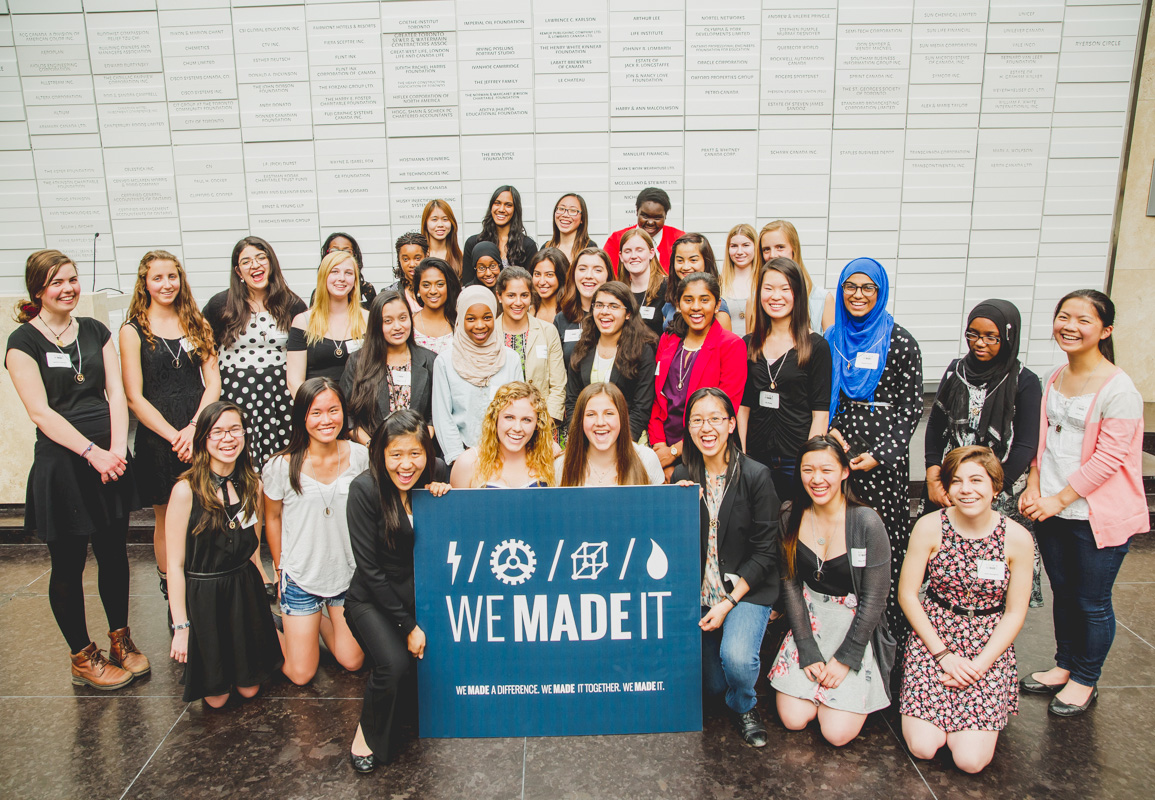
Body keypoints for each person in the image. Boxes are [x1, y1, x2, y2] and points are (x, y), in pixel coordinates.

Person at [6, 250, 146, 689]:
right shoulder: (22, 343)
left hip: (109, 458)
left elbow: (116, 394)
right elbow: (40, 413)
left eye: (71, 279)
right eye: (56, 282)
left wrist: (117, 449)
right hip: (64, 464)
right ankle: (83, 657)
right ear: (38, 290)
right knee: (68, 565)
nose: (68, 289)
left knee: (114, 553)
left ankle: (121, 640)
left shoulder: (95, 330)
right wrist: (93, 453)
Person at [1018, 290, 1147, 716]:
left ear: (1105, 330)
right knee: (1065, 593)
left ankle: (1086, 679)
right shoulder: (1054, 376)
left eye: (1083, 320)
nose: (1069, 326)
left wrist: (1059, 499)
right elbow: (1041, 440)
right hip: (1051, 507)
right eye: (1064, 317)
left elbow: (1109, 459)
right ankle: (1064, 665)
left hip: (1095, 515)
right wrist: (1034, 484)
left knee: (1092, 601)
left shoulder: (1120, 389)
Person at [900, 446, 1034, 772]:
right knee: (923, 747)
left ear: (995, 487)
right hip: (934, 636)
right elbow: (907, 595)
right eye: (957, 481)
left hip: (987, 643)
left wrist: (979, 665)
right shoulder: (930, 527)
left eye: (976, 480)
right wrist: (943, 655)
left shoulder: (1017, 538)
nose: (966, 489)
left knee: (970, 761)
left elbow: (1015, 612)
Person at [671, 388, 779, 747]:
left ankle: (746, 705)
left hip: (744, 591)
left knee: (737, 663)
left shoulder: (756, 475)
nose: (707, 428)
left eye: (715, 419)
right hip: (702, 595)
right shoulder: (683, 474)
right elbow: (673, 546)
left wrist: (728, 604)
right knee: (713, 684)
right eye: (697, 420)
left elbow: (766, 553)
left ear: (731, 424)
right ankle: (729, 671)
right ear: (688, 427)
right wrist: (678, 507)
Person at [344, 410, 450, 773]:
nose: (406, 465)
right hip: (372, 599)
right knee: (393, 665)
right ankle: (366, 734)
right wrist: (408, 626)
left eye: (415, 453)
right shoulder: (364, 490)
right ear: (381, 454)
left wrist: (444, 498)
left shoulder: (436, 473)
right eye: (396, 455)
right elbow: (370, 571)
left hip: (421, 596)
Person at [770, 436, 893, 747]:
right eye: (808, 470)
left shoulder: (866, 522)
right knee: (793, 719)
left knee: (836, 734)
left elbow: (875, 598)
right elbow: (790, 583)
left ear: (844, 472)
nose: (817, 479)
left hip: (853, 626)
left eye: (826, 470)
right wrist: (806, 647)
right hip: (809, 620)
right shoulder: (789, 514)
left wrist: (847, 657)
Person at [825, 257, 923, 646]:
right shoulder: (832, 337)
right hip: (839, 451)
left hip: (882, 461)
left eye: (868, 288)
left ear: (880, 293)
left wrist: (882, 453)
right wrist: (830, 434)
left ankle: (884, 633)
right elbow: (821, 393)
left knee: (881, 541)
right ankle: (838, 624)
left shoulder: (900, 341)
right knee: (840, 536)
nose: (858, 295)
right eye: (850, 286)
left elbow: (911, 407)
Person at [925, 300, 1043, 605]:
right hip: (952, 484)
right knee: (945, 568)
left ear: (1009, 337)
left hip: (1001, 488)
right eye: (973, 334)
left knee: (994, 577)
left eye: (991, 337)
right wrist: (933, 476)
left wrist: (991, 488)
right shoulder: (956, 371)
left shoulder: (1024, 381)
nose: (980, 343)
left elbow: (1026, 444)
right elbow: (935, 425)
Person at [166, 401, 283, 707]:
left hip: (243, 591)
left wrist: (264, 597)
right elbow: (174, 565)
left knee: (250, 690)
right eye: (217, 432)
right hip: (205, 595)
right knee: (217, 700)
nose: (228, 439)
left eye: (235, 430)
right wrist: (181, 628)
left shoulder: (253, 485)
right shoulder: (185, 491)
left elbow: (253, 548)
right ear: (203, 438)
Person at [121, 250, 220, 605]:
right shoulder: (133, 330)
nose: (167, 284)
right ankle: (171, 591)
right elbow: (134, 397)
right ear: (145, 284)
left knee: (206, 509)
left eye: (172, 277)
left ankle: (205, 583)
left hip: (199, 430)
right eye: (158, 278)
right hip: (158, 437)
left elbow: (213, 382)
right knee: (165, 516)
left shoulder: (197, 322)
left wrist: (194, 428)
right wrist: (174, 435)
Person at [264, 379, 367, 685]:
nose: (326, 420)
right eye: (316, 413)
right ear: (302, 417)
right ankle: (263, 624)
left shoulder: (360, 456)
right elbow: (272, 518)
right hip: (302, 576)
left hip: (347, 575)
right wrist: (280, 569)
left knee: (353, 660)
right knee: (301, 674)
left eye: (333, 410)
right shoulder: (280, 466)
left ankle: (316, 621)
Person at [203, 236, 306, 467]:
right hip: (236, 395)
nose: (255, 265)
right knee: (243, 461)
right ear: (238, 271)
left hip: (281, 396)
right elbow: (204, 350)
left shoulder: (292, 304)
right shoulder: (220, 305)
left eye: (261, 258)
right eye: (246, 261)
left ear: (271, 263)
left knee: (284, 461)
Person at [738, 259, 832, 501]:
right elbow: (743, 408)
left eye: (785, 288)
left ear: (798, 293)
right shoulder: (748, 344)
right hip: (756, 459)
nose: (775, 296)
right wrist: (743, 456)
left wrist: (809, 463)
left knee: (795, 520)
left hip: (796, 458)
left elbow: (820, 415)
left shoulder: (816, 347)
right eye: (768, 288)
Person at [649, 273, 747, 481]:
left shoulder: (731, 346)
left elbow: (723, 412)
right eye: (688, 300)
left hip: (707, 451)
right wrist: (660, 451)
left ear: (717, 304)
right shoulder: (668, 339)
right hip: (662, 451)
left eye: (704, 300)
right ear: (678, 304)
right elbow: (657, 400)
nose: (696, 307)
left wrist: (674, 453)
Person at [431, 286, 524, 464]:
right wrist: (459, 459)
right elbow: (443, 416)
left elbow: (518, 409)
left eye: (487, 317)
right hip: (462, 456)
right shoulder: (445, 362)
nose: (480, 325)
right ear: (460, 319)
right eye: (471, 319)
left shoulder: (510, 358)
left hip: (505, 456)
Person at [342, 291, 437, 445]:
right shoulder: (358, 361)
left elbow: (435, 415)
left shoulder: (430, 360)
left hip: (418, 450)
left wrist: (418, 443)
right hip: (371, 450)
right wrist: (371, 445)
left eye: (403, 318)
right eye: (388, 321)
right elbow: (347, 415)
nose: (397, 326)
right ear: (376, 324)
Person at [564, 281, 656, 441]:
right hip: (586, 439)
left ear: (628, 313)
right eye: (599, 305)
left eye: (614, 306)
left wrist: (620, 445)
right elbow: (572, 401)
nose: (605, 311)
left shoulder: (642, 351)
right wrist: (580, 440)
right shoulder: (582, 348)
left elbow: (641, 408)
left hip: (628, 440)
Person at [495, 266, 566, 434]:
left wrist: (541, 424)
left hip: (544, 425)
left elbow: (558, 385)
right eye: (511, 295)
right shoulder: (490, 334)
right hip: (501, 428)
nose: (518, 302)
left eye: (524, 295)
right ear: (499, 296)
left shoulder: (547, 331)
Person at [287, 250, 368, 397]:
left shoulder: (369, 319)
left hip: (360, 405)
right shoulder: (303, 322)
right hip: (318, 405)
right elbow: (294, 381)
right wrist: (311, 407)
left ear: (355, 280)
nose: (341, 278)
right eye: (334, 271)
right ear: (323, 276)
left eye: (348, 273)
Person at [450, 381, 556, 488]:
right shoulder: (468, 462)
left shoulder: (549, 458)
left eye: (526, 420)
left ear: (538, 423)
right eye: (509, 417)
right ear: (495, 418)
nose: (517, 428)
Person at [557, 383, 664, 486]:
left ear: (622, 418)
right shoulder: (562, 465)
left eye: (609, 413)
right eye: (591, 414)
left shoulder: (646, 460)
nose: (600, 422)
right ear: (580, 420)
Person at [757, 221, 831, 333]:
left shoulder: (822, 299)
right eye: (766, 249)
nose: (772, 255)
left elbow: (830, 342)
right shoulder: (756, 298)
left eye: (780, 247)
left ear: (794, 249)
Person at [462, 185, 538, 284]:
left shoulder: (527, 246)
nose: (501, 209)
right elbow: (468, 284)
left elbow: (530, 285)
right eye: (497, 203)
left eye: (508, 205)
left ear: (515, 209)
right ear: (491, 206)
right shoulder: (473, 243)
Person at [603, 187, 685, 272]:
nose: (650, 222)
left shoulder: (679, 240)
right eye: (645, 216)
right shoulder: (616, 240)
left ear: (665, 215)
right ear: (637, 211)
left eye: (657, 218)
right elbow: (608, 275)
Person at [662, 233, 732, 331]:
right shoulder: (670, 303)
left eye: (693, 260)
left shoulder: (716, 307)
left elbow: (726, 339)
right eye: (680, 260)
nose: (686, 267)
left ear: (706, 261)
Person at [554, 246, 611, 361]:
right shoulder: (562, 319)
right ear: (573, 274)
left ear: (608, 275)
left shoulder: (617, 316)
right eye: (582, 269)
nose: (589, 276)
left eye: (597, 270)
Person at [618, 228, 666, 337]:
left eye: (639, 250)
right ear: (621, 256)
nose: (634, 256)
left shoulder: (667, 287)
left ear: (651, 253)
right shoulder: (619, 291)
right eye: (627, 251)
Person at [411, 257, 461, 355]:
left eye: (440, 284)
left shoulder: (460, 323)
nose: (433, 291)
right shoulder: (409, 324)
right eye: (426, 285)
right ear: (418, 289)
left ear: (449, 287)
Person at [718, 224, 758, 337]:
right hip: (727, 347)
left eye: (746, 245)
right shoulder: (718, 283)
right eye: (734, 246)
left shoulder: (764, 282)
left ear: (755, 246)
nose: (739, 251)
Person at [321, 232, 376, 309]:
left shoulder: (366, 289)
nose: (340, 255)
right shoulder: (319, 291)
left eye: (347, 251)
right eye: (334, 251)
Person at [544, 193, 591, 266]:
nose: (565, 215)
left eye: (573, 210)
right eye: (561, 209)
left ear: (582, 218)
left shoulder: (589, 248)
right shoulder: (546, 247)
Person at [421, 199, 463, 277]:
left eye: (445, 219)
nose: (440, 224)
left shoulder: (460, 257)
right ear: (425, 223)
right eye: (434, 219)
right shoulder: (419, 256)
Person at [529, 247, 568, 325]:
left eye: (549, 275)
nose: (542, 282)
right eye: (537, 274)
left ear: (561, 276)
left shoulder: (571, 311)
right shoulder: (527, 310)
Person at [390, 232, 426, 313]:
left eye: (417, 258)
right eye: (406, 259)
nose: (412, 264)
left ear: (426, 256)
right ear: (399, 260)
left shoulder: (436, 290)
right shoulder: (390, 293)